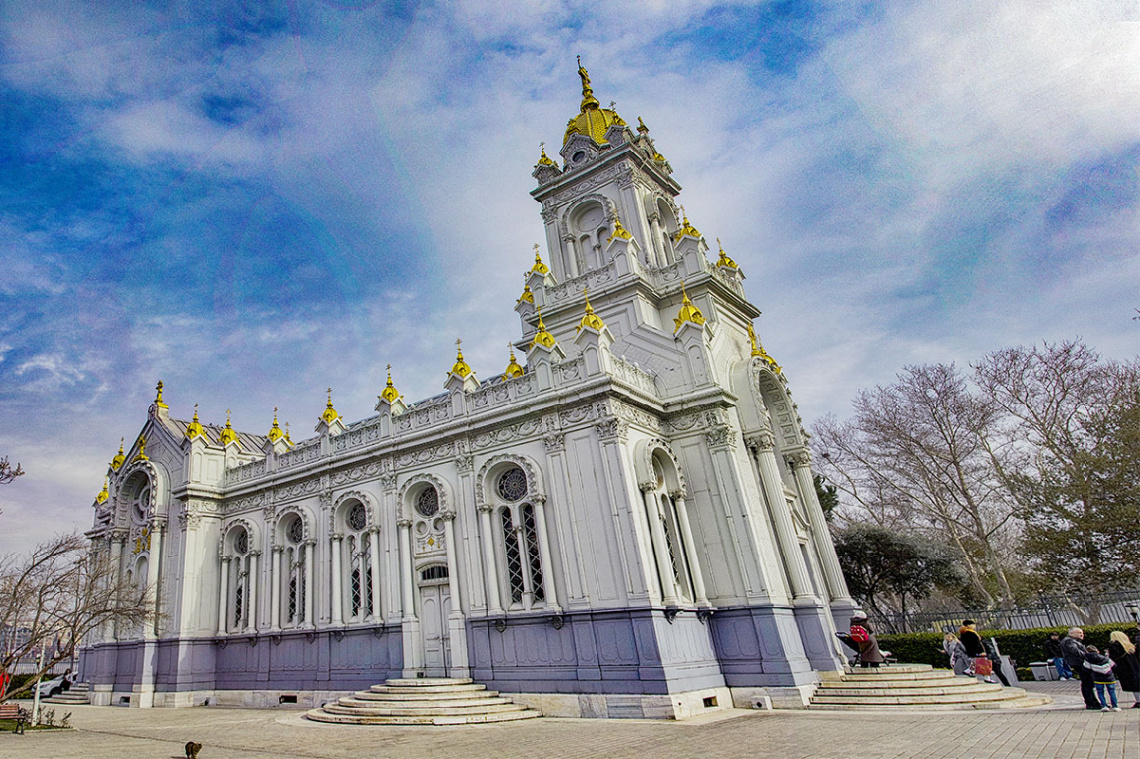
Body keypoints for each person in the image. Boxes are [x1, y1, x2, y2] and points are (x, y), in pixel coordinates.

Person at [1062, 627, 1102, 710]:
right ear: (1072, 633)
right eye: (1079, 633)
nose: (1082, 635)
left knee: (1088, 683)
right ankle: (1091, 702)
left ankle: (1093, 701)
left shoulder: (1073, 641)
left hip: (1080, 663)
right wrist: (1088, 655)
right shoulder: (1069, 641)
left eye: (1082, 633)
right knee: (1087, 683)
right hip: (1079, 664)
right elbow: (1075, 651)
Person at [1106, 631, 1140, 708]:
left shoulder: (1114, 646)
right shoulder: (1131, 646)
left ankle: (1138, 701)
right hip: (1135, 667)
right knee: (1137, 684)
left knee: (1133, 685)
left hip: (1125, 669)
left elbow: (1113, 658)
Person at [1083, 645, 1120, 711]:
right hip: (1109, 677)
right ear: (1097, 651)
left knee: (1100, 692)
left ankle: (1104, 706)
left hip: (1098, 677)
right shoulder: (1105, 658)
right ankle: (1115, 706)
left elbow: (1086, 668)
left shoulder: (1087, 659)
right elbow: (1114, 665)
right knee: (1111, 691)